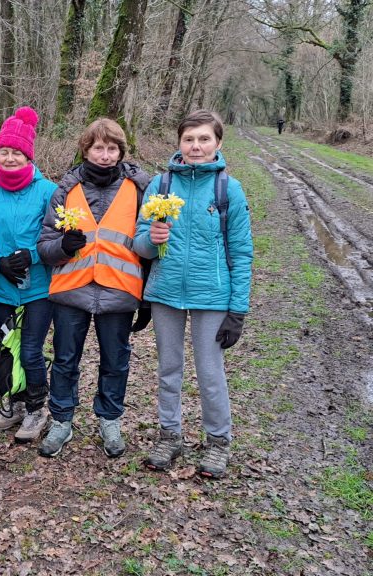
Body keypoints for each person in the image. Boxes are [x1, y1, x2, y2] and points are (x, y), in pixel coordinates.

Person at [134, 109, 253, 479]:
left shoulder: (227, 189)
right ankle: (169, 435)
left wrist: (238, 309)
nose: (196, 146)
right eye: (189, 139)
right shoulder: (160, 185)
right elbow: (139, 244)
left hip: (212, 295)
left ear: (218, 143)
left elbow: (242, 251)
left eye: (204, 139)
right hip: (166, 292)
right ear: (179, 143)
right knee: (169, 369)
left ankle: (218, 441)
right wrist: (151, 241)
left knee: (209, 372)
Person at [37, 118, 151, 459]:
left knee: (116, 361)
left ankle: (110, 419)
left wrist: (145, 298)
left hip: (120, 290)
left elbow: (149, 244)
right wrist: (64, 247)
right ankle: (61, 420)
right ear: (86, 150)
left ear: (120, 152)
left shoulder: (140, 188)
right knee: (65, 359)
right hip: (72, 289)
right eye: (98, 148)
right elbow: (44, 245)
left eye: (111, 148)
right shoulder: (66, 190)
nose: (104, 155)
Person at [0, 107, 58, 443]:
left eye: (17, 153)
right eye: (4, 152)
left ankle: (38, 408)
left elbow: (55, 236)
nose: (9, 158)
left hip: (39, 287)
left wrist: (33, 255)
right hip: (2, 286)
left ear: (29, 156)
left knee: (31, 350)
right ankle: (15, 403)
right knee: (7, 347)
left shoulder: (48, 191)